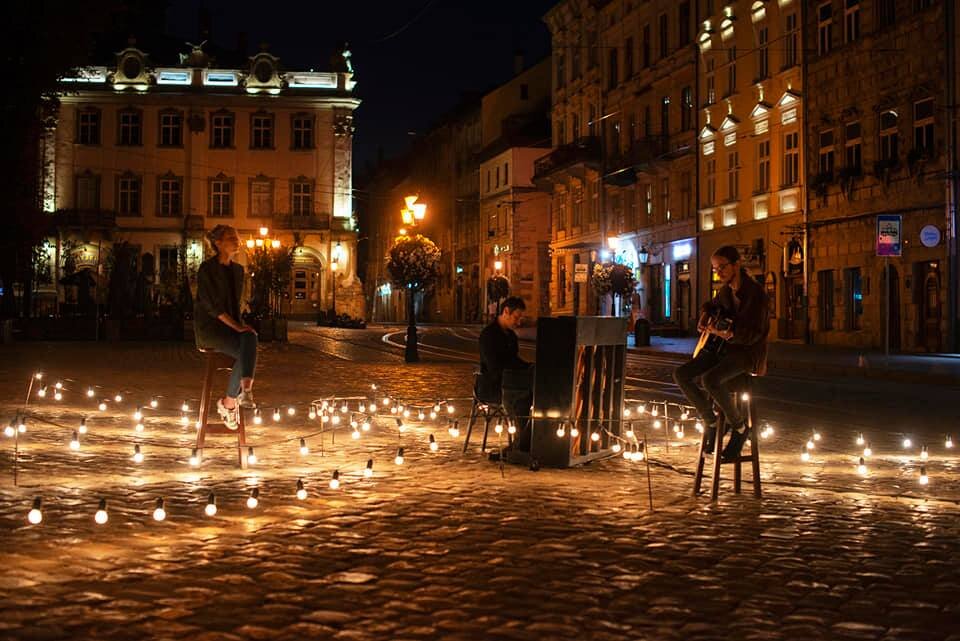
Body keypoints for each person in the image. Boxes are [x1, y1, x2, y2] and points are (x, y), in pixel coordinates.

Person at [673, 246, 769, 460]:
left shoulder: (755, 294)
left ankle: (740, 429)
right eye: (715, 268)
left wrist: (728, 334)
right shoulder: (726, 290)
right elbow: (712, 304)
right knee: (681, 374)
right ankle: (712, 421)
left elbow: (755, 334)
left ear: (737, 264)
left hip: (747, 354)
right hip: (721, 348)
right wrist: (705, 315)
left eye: (722, 267)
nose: (718, 273)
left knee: (711, 379)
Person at [194, 225, 258, 430]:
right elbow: (212, 306)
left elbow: (234, 305)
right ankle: (233, 400)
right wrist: (237, 328)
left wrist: (242, 327)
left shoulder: (238, 270)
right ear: (218, 243)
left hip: (231, 326)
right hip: (211, 329)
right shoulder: (207, 269)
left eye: (237, 237)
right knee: (244, 347)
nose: (236, 241)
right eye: (231, 238)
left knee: (251, 338)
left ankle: (242, 393)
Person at [478, 296, 533, 451]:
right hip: (492, 385)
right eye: (516, 317)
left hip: (511, 383)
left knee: (531, 393)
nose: (519, 322)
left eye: (521, 317)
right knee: (522, 397)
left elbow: (514, 360)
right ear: (506, 312)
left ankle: (526, 440)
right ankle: (520, 443)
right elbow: (494, 367)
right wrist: (518, 373)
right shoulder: (489, 335)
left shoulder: (511, 336)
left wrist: (528, 367)